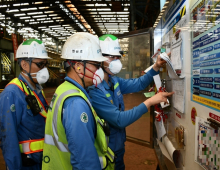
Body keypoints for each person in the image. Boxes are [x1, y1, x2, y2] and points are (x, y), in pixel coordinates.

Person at [88, 34, 174, 170]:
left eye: (118, 57)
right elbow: (119, 120)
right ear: (99, 59)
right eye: (112, 57)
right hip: (105, 151)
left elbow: (138, 84)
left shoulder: (113, 80)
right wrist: (150, 102)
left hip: (118, 146)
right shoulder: (94, 90)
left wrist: (156, 66)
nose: (116, 61)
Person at [42, 32, 115, 170]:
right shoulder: (76, 103)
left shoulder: (64, 88)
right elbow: (85, 162)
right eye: (96, 65)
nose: (99, 70)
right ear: (78, 67)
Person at [0, 39, 51, 170]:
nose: (44, 69)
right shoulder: (12, 93)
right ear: (24, 64)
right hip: (26, 164)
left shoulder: (37, 90)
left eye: (46, 64)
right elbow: (8, 138)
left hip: (42, 161)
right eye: (40, 64)